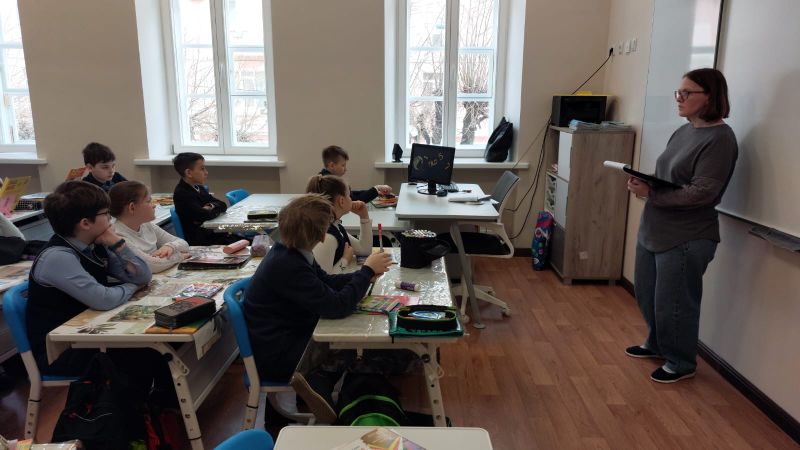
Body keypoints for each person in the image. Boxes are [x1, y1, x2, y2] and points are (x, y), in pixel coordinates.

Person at [625, 68, 738, 383]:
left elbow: (702, 192)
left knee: (674, 305)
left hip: (687, 236)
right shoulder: (684, 131)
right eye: (678, 92)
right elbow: (671, 178)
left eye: (686, 93)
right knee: (647, 295)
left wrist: (652, 194)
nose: (679, 98)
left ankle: (681, 362)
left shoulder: (720, 139)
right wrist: (645, 182)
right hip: (655, 229)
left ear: (710, 97)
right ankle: (657, 344)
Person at [26, 181, 172, 400]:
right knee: (147, 350)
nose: (111, 220)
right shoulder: (58, 257)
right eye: (106, 214)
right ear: (86, 223)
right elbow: (103, 299)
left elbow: (143, 275)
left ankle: (160, 407)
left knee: (162, 343)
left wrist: (118, 243)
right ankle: (138, 413)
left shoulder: (95, 245)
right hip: (61, 350)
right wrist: (132, 286)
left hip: (88, 334)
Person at [243, 194, 392, 399]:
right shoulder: (289, 264)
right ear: (322, 235)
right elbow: (337, 306)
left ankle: (325, 393)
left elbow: (325, 281)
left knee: (360, 348)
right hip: (281, 357)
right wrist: (366, 272)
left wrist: (364, 275)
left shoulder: (290, 249)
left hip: (283, 340)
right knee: (366, 352)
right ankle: (324, 396)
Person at [110, 181, 189, 273]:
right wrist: (179, 256)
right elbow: (151, 265)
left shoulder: (146, 225)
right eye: (148, 201)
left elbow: (184, 244)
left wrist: (170, 246)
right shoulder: (118, 236)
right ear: (132, 207)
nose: (154, 205)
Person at [305, 174, 373, 274]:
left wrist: (364, 216)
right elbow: (324, 280)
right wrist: (345, 260)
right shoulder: (327, 237)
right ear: (341, 201)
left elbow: (364, 249)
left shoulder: (335, 226)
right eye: (349, 195)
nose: (351, 199)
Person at [172, 152, 239, 246]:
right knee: (254, 246)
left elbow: (223, 205)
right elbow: (204, 215)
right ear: (189, 173)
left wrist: (210, 206)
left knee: (256, 244)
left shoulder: (200, 188)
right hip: (204, 242)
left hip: (216, 236)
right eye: (202, 169)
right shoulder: (182, 194)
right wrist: (211, 211)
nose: (206, 172)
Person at [319, 145, 392, 202]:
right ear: (332, 165)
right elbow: (354, 199)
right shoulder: (331, 183)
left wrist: (377, 191)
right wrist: (376, 189)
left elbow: (352, 194)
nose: (345, 169)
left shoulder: (324, 177)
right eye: (343, 165)